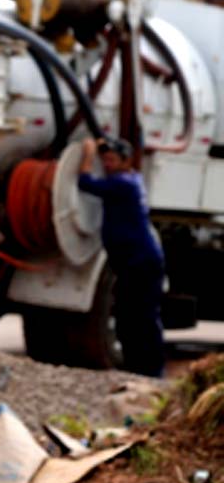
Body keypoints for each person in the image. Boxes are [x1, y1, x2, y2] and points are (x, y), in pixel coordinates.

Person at [77, 136, 165, 377]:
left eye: (112, 159)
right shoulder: (129, 179)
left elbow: (85, 182)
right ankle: (136, 368)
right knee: (127, 317)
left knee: (143, 318)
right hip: (130, 263)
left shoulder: (123, 183)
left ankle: (153, 372)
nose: (107, 164)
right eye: (104, 159)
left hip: (141, 263)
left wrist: (87, 153)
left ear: (126, 161)